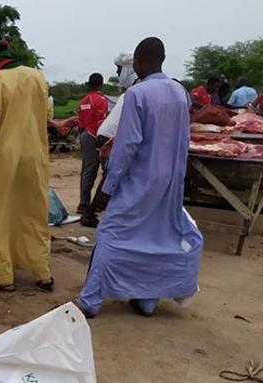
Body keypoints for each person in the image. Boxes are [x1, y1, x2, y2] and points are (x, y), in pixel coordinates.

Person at [75, 37, 202, 318]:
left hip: (139, 181)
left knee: (110, 235)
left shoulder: (137, 94)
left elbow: (127, 144)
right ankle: (147, 299)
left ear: (141, 61)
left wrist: (108, 187)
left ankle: (91, 300)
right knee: (155, 238)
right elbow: (184, 141)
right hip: (169, 181)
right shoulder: (180, 93)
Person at [0, 33, 53, 292]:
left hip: (2, 162)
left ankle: (1, 276)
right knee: (33, 213)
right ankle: (42, 272)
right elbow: (47, 118)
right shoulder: (37, 77)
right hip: (35, 158)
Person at [80, 53, 136, 228]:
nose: (118, 74)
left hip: (93, 135)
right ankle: (91, 213)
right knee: (111, 178)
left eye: (119, 70)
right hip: (107, 137)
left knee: (94, 173)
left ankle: (86, 206)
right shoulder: (104, 100)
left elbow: (82, 120)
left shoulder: (85, 99)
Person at [77, 73, 109, 214]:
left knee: (87, 171)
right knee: (102, 170)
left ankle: (84, 202)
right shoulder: (101, 100)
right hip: (95, 136)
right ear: (101, 84)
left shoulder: (83, 101)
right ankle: (91, 205)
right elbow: (100, 122)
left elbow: (81, 122)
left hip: (84, 135)